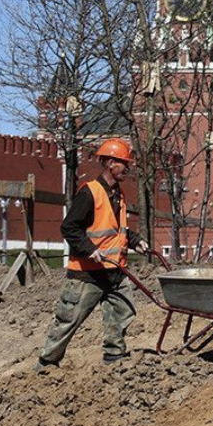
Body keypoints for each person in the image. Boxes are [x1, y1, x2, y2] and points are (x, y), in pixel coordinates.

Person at [36, 138, 147, 370]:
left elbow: (117, 229)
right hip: (87, 275)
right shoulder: (89, 193)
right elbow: (69, 227)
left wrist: (135, 241)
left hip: (114, 271)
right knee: (69, 321)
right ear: (109, 163)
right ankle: (46, 364)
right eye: (123, 163)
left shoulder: (119, 194)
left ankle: (114, 360)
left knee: (123, 311)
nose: (127, 168)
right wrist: (89, 250)